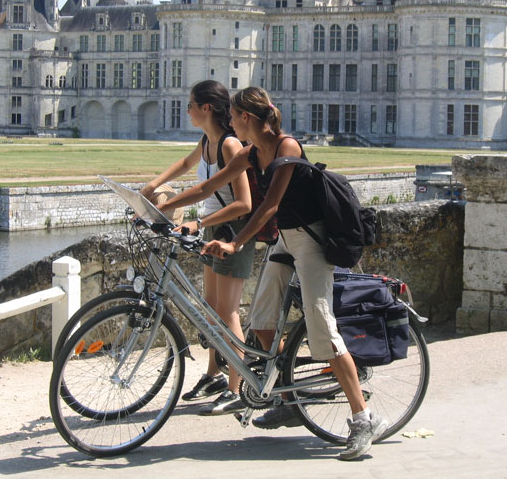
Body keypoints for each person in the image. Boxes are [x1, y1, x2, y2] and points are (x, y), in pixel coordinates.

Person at [159, 86, 387, 461]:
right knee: (262, 322)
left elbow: (267, 207)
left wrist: (233, 243)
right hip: (286, 241)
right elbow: (207, 186)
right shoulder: (252, 153)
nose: (229, 123)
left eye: (232, 116)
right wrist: (162, 207)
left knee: (322, 329)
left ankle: (364, 418)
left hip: (313, 243)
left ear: (246, 118)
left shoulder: (286, 148)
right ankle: (290, 396)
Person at [141, 79, 256, 416]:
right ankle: (214, 374)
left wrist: (197, 223)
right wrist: (152, 186)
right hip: (212, 230)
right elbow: (185, 164)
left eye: (190, 104)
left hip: (233, 233)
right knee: (210, 309)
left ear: (206, 108)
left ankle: (237, 387)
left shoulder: (230, 146)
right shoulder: (208, 140)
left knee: (227, 313)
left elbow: (245, 203)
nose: (187, 109)